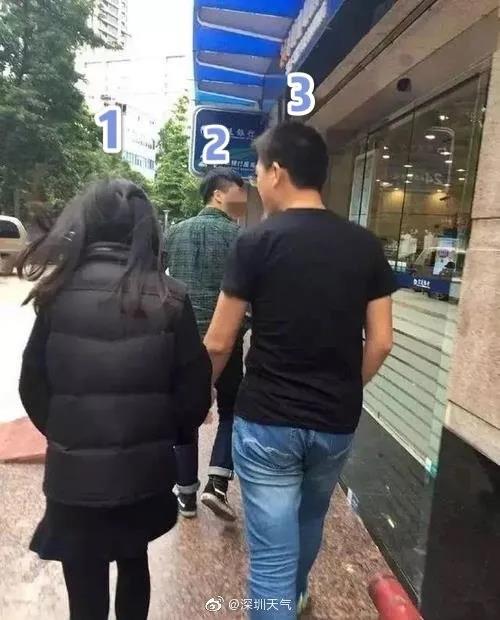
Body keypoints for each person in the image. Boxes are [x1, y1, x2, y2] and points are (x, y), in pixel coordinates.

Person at [204, 122, 397, 618]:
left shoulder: (256, 242)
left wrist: (200, 394)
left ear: (278, 172)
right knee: (309, 518)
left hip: (267, 420)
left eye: (259, 171)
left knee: (271, 555)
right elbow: (381, 341)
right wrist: (345, 386)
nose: (256, 182)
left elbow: (220, 340)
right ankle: (298, 595)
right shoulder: (365, 245)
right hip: (334, 421)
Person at [18, 179, 211, 620]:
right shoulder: (170, 298)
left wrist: (70, 432)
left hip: (73, 478)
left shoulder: (55, 294)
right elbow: (193, 394)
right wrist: (159, 435)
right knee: (134, 559)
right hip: (142, 473)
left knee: (83, 580)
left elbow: (32, 385)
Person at [167, 167, 248, 521]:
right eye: (239, 192)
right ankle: (217, 483)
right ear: (218, 194)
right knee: (231, 409)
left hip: (182, 339)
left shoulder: (174, 233)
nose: (244, 200)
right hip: (227, 339)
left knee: (185, 411)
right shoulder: (241, 238)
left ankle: (186, 493)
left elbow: (156, 279)